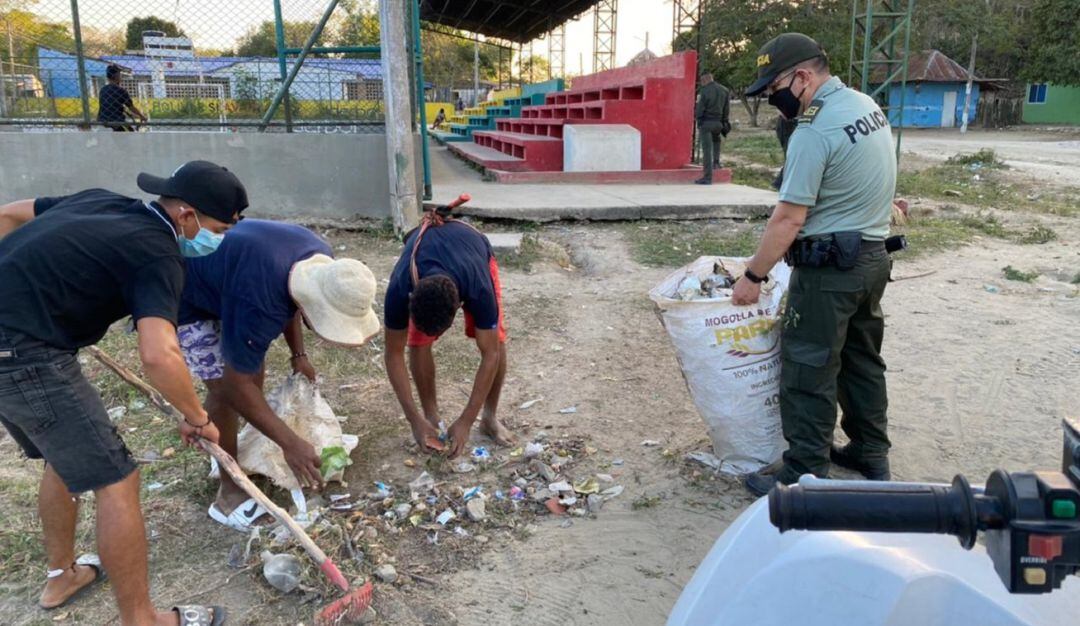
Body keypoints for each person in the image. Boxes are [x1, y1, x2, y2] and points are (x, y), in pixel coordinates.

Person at [0, 160, 248, 624]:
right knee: (116, 480)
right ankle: (143, 619)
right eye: (217, 228)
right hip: (26, 356)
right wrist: (197, 416)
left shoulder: (104, 201)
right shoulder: (158, 254)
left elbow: (9, 215)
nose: (217, 239)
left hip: (17, 346)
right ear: (186, 216)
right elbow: (159, 354)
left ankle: (62, 575)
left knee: (65, 457)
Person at [731, 33, 897, 497]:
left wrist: (752, 276)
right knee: (861, 360)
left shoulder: (814, 129)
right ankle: (870, 451)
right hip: (871, 258)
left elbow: (788, 218)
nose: (772, 98)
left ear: (802, 77)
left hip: (829, 272)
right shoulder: (865, 105)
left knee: (809, 367)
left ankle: (803, 473)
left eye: (774, 88)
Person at [177, 220, 380, 531]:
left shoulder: (318, 259)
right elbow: (235, 384)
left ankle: (228, 446)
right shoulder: (258, 301)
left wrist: (299, 355)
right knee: (225, 390)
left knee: (250, 378)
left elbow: (292, 296)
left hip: (233, 281)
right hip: (185, 293)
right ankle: (228, 493)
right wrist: (291, 443)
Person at [383, 209, 514, 459]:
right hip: (428, 260)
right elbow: (393, 355)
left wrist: (466, 420)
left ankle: (489, 418)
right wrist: (414, 419)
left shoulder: (479, 287)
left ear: (458, 308)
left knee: (495, 340)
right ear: (412, 298)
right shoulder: (400, 287)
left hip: (473, 248)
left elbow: (491, 355)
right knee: (418, 343)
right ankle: (432, 418)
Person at [694, 72, 731, 185]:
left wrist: (699, 121)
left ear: (705, 80)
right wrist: (724, 122)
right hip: (719, 123)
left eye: (702, 81)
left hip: (707, 123)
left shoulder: (705, 91)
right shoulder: (724, 90)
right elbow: (726, 109)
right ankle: (716, 163)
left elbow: (700, 109)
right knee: (716, 142)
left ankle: (707, 177)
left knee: (707, 151)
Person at [98, 64, 147, 132]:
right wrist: (141, 116)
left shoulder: (103, 90)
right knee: (131, 133)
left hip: (102, 121)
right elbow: (131, 107)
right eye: (120, 74)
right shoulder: (121, 90)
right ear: (116, 76)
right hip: (117, 122)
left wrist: (125, 111)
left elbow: (111, 104)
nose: (121, 77)